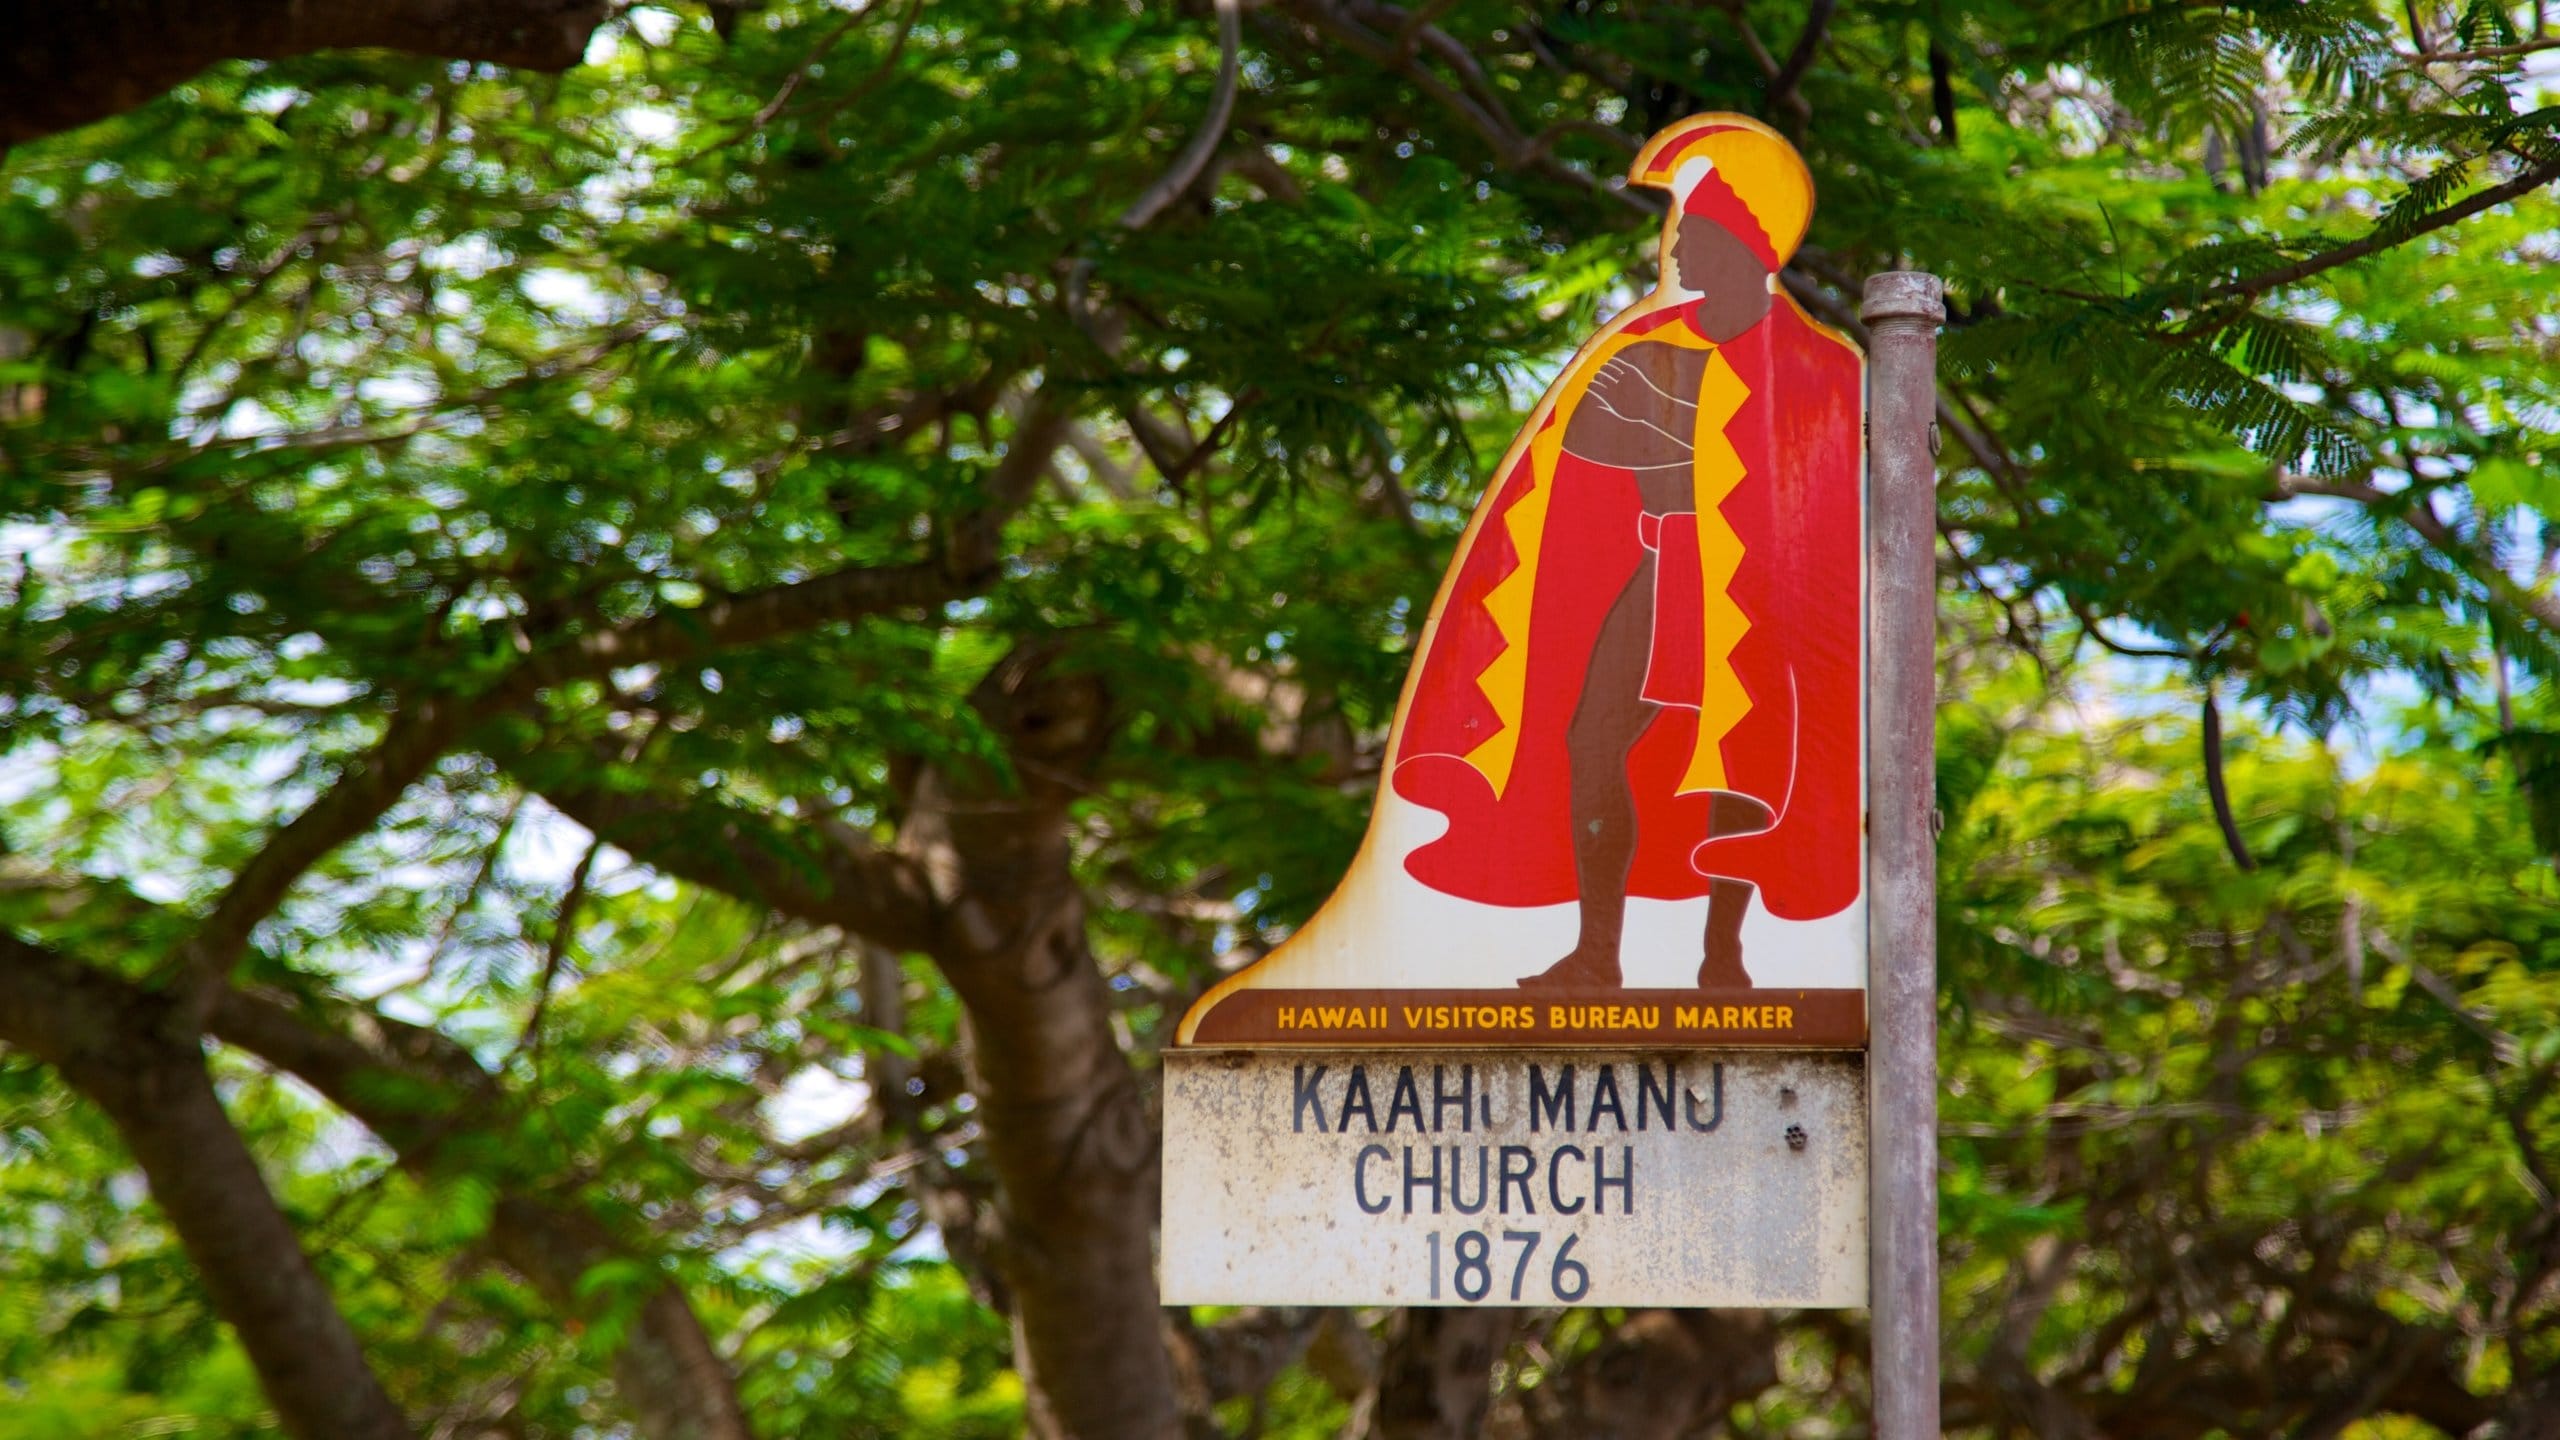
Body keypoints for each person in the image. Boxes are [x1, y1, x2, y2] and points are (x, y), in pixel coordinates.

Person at [1386, 114, 1863, 991]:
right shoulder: (1646, 349)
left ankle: (1724, 955)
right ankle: (1598, 953)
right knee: (1589, 740)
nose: (1677, 256)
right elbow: (1590, 454)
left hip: (1758, 588)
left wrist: (1691, 449)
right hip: (1666, 565)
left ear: (1750, 250)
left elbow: (1806, 491)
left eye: (1701, 240)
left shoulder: (1816, 365)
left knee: (1743, 748)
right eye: (1679, 236)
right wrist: (1678, 448)